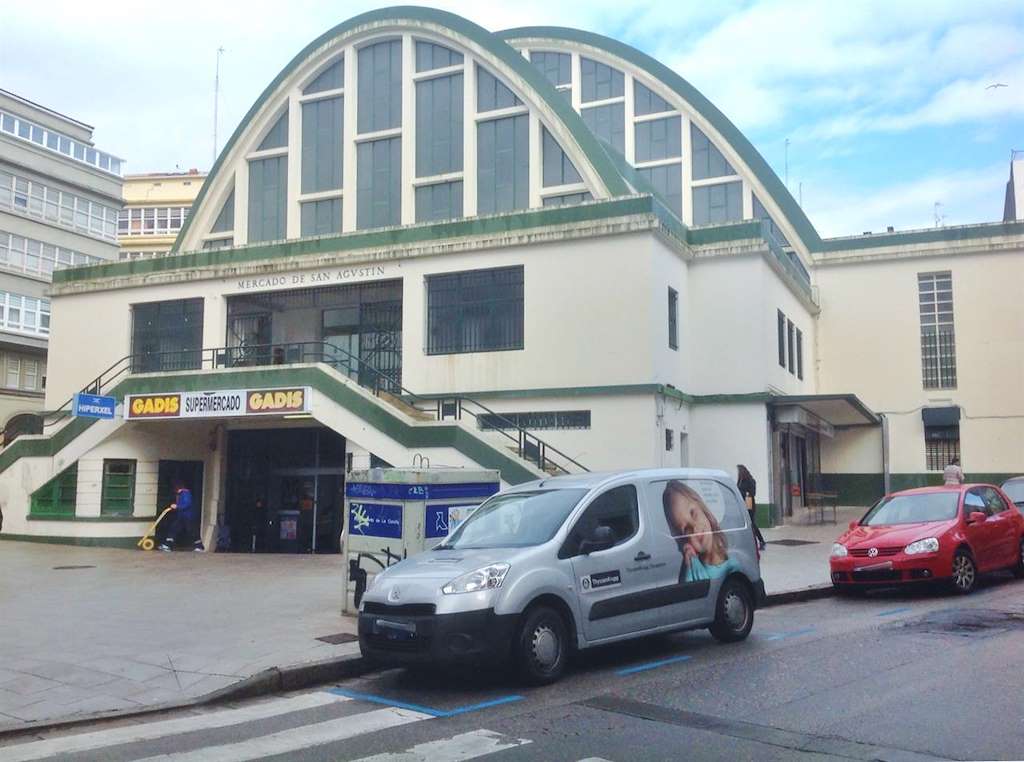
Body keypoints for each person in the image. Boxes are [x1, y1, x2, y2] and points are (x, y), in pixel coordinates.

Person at [662, 480, 738, 583]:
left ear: (702, 508)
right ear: (684, 540)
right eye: (686, 529)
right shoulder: (692, 569)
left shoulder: (733, 566)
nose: (694, 528)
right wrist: (688, 563)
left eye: (692, 513)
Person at [158, 481, 204, 552]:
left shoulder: (185, 493)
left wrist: (177, 506)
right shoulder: (180, 494)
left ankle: (199, 546)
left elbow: (186, 504)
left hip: (188, 516)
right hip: (181, 516)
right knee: (174, 529)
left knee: (192, 531)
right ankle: (167, 545)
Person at [737, 464, 766, 551]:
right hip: (742, 503)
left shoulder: (750, 480)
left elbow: (752, 493)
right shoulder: (740, 480)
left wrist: (745, 493)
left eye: (739, 471)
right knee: (744, 523)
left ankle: (761, 541)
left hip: (749, 503)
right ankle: (747, 542)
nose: (738, 473)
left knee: (751, 523)